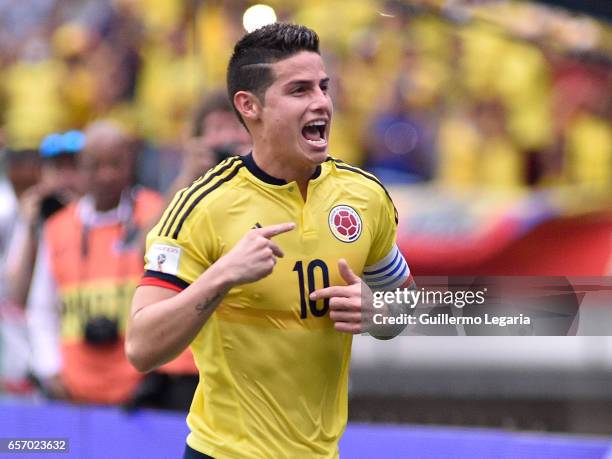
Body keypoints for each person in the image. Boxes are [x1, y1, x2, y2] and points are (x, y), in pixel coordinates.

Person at [127, 23, 414, 458]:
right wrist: (222, 276)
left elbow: (405, 308)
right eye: (299, 91)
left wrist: (379, 312)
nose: (321, 102)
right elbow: (141, 346)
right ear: (250, 106)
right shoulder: (202, 205)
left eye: (323, 87)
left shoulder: (364, 196)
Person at [27, 120, 162, 403]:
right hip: (73, 390)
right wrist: (50, 370)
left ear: (130, 163)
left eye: (115, 163)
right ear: (80, 168)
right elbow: (41, 307)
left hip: (143, 391)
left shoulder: (157, 214)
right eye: (95, 165)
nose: (106, 175)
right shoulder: (57, 227)